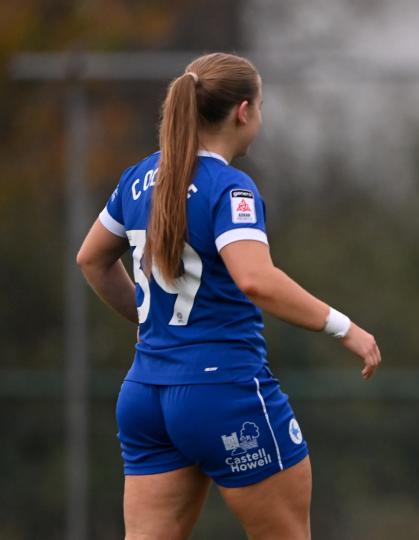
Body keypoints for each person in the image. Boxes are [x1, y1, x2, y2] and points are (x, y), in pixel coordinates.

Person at [76, 52, 381, 540]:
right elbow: (256, 280)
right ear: (243, 112)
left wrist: (149, 321)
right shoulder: (230, 188)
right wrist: (343, 327)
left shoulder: (137, 178)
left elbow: (91, 259)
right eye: (260, 105)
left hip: (145, 394)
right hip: (223, 392)